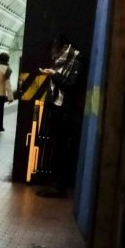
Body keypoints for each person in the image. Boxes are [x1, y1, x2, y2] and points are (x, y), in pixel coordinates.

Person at [37, 35, 82, 197]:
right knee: (55, 147)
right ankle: (55, 184)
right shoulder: (63, 61)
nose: (55, 54)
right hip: (57, 108)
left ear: (65, 47)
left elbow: (71, 84)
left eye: (58, 49)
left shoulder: (75, 60)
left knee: (61, 148)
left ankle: (58, 186)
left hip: (65, 111)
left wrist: (53, 75)